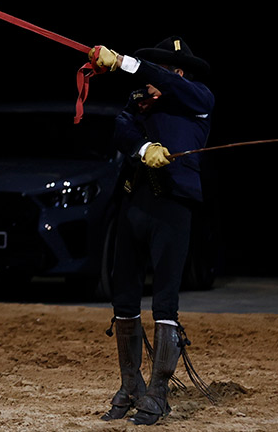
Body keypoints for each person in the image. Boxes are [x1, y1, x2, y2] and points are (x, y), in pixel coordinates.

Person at [89, 37, 214, 425]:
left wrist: (125, 63)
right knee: (123, 294)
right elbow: (121, 128)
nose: (162, 78)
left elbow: (171, 83)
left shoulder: (197, 98)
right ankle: (130, 385)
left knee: (165, 300)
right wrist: (144, 148)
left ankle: (158, 390)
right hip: (134, 202)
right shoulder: (140, 100)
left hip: (173, 207)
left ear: (181, 73)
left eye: (170, 70)